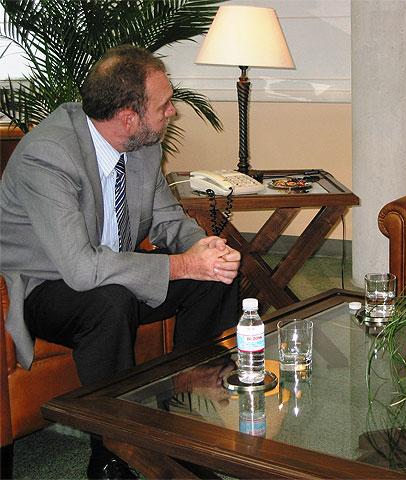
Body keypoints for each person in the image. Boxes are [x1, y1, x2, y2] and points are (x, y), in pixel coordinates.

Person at [0, 45, 241, 479]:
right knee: (108, 302)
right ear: (128, 116)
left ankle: (184, 418)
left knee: (215, 278)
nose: (172, 112)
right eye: (164, 104)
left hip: (116, 270)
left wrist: (205, 251)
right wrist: (181, 266)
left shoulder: (142, 144)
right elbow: (80, 270)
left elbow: (168, 219)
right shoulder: (48, 155)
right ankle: (114, 449)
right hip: (47, 285)